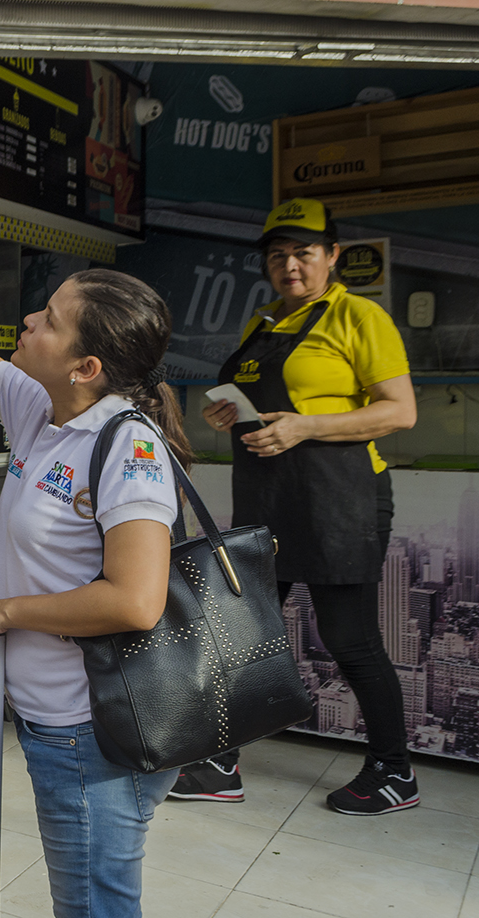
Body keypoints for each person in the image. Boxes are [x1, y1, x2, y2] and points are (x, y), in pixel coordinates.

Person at [0, 248, 190, 917]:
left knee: (92, 908)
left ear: (87, 367)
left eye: (48, 320)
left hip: (95, 730)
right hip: (59, 724)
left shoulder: (127, 450)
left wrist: (4, 612)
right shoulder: (42, 411)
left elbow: (136, 601)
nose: (27, 321)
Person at [172, 198, 417, 815]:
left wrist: (305, 426)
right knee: (244, 632)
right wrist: (223, 411)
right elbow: (258, 404)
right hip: (269, 500)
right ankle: (221, 764)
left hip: (340, 500)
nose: (290, 266)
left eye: (304, 253)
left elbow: (399, 411)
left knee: (349, 637)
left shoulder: (358, 317)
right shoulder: (265, 324)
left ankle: (394, 772)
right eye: (277, 255)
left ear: (332, 255)